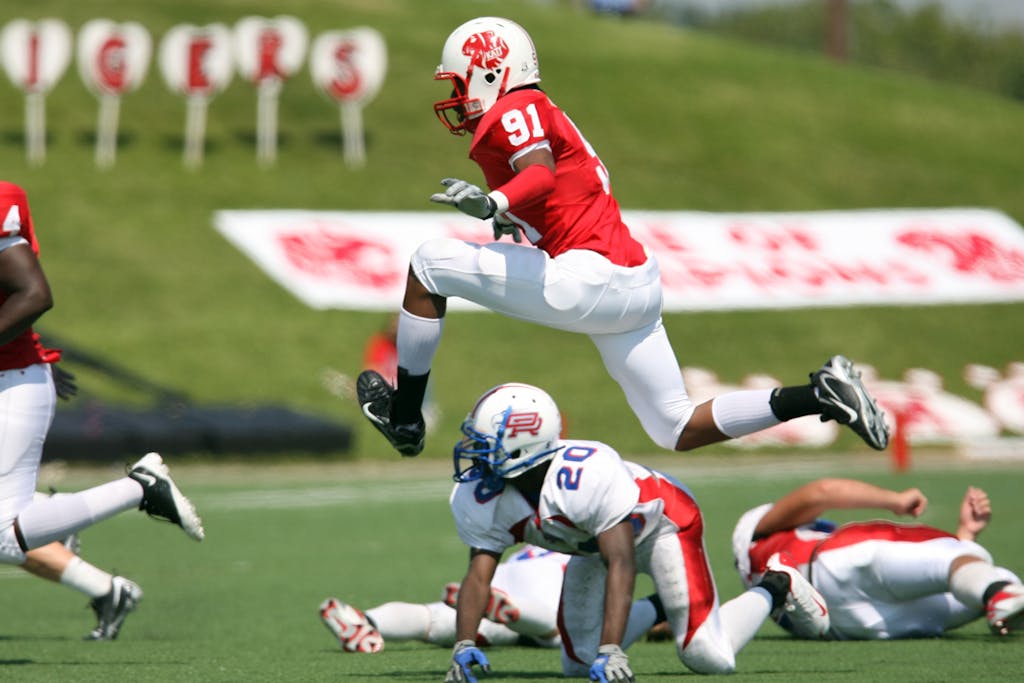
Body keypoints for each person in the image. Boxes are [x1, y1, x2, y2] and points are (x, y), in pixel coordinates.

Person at [355, 16, 889, 458]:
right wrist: (510, 216)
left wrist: (494, 202)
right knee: (675, 427)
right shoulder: (541, 111)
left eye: (459, 82)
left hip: (587, 278)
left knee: (428, 265)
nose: (456, 96)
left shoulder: (516, 108)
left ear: (490, 71)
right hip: (635, 284)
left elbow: (539, 173)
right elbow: (560, 192)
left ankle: (405, 417)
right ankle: (821, 394)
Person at [441, 382, 830, 683]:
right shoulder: (484, 495)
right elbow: (479, 573)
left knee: (707, 657)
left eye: (484, 443)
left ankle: (776, 585)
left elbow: (621, 563)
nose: (473, 452)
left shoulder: (584, 474)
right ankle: (662, 606)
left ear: (523, 444)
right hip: (592, 545)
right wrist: (464, 643)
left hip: (664, 526)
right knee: (577, 666)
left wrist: (612, 649)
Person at [0, 180, 204, 633]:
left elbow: (33, 293)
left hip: (9, 383)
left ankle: (138, 489)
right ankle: (59, 527)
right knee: (10, 529)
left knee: (4, 532)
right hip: (14, 377)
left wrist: (31, 354)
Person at [731, 477, 1024, 639]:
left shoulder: (765, 598)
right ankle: (994, 590)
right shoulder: (757, 532)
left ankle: (995, 592)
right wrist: (894, 501)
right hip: (832, 564)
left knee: (994, 583)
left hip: (856, 625)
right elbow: (821, 492)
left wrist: (965, 537)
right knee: (989, 577)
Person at [318, 544, 571, 653]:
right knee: (558, 629)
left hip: (507, 571)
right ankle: (513, 610)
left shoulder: (551, 531)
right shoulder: (599, 533)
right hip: (549, 580)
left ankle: (368, 621)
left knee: (437, 617)